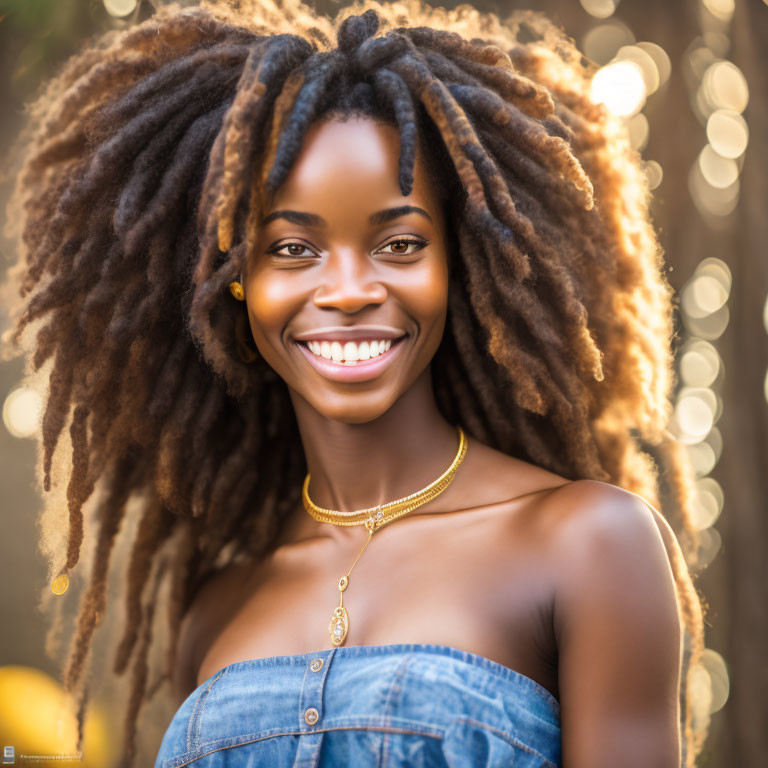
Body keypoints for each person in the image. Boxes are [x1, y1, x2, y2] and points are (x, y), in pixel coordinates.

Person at [1, 0, 710, 766]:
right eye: (294, 248)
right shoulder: (217, 607)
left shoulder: (589, 545)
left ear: (456, 264)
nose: (346, 290)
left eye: (400, 243)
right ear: (234, 279)